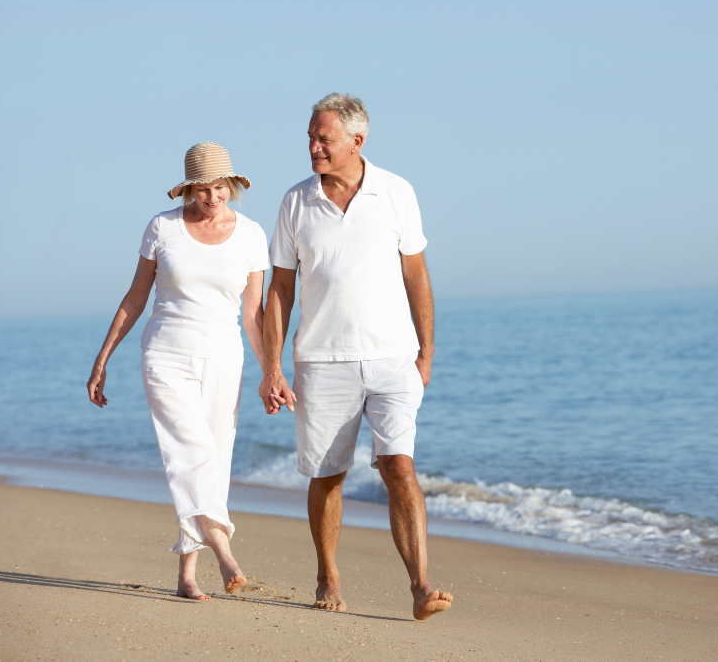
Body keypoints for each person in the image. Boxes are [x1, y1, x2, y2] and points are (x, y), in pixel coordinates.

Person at [260, 93, 453, 620]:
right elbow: (279, 289)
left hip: (394, 358)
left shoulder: (397, 192)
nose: (313, 147)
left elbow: (417, 274)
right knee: (328, 476)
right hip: (321, 361)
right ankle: (327, 575)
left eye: (323, 138)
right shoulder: (295, 202)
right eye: (310, 137)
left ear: (356, 142)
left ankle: (419, 586)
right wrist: (272, 367)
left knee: (399, 466)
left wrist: (426, 354)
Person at [87, 142, 270, 600]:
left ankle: (187, 575)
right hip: (166, 355)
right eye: (203, 189)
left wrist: (273, 373)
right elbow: (135, 299)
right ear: (188, 189)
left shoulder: (251, 235)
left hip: (225, 358)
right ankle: (225, 552)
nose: (213, 197)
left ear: (233, 185)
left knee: (214, 458)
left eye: (220, 187)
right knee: (189, 452)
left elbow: (253, 315)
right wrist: (102, 358)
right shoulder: (162, 227)